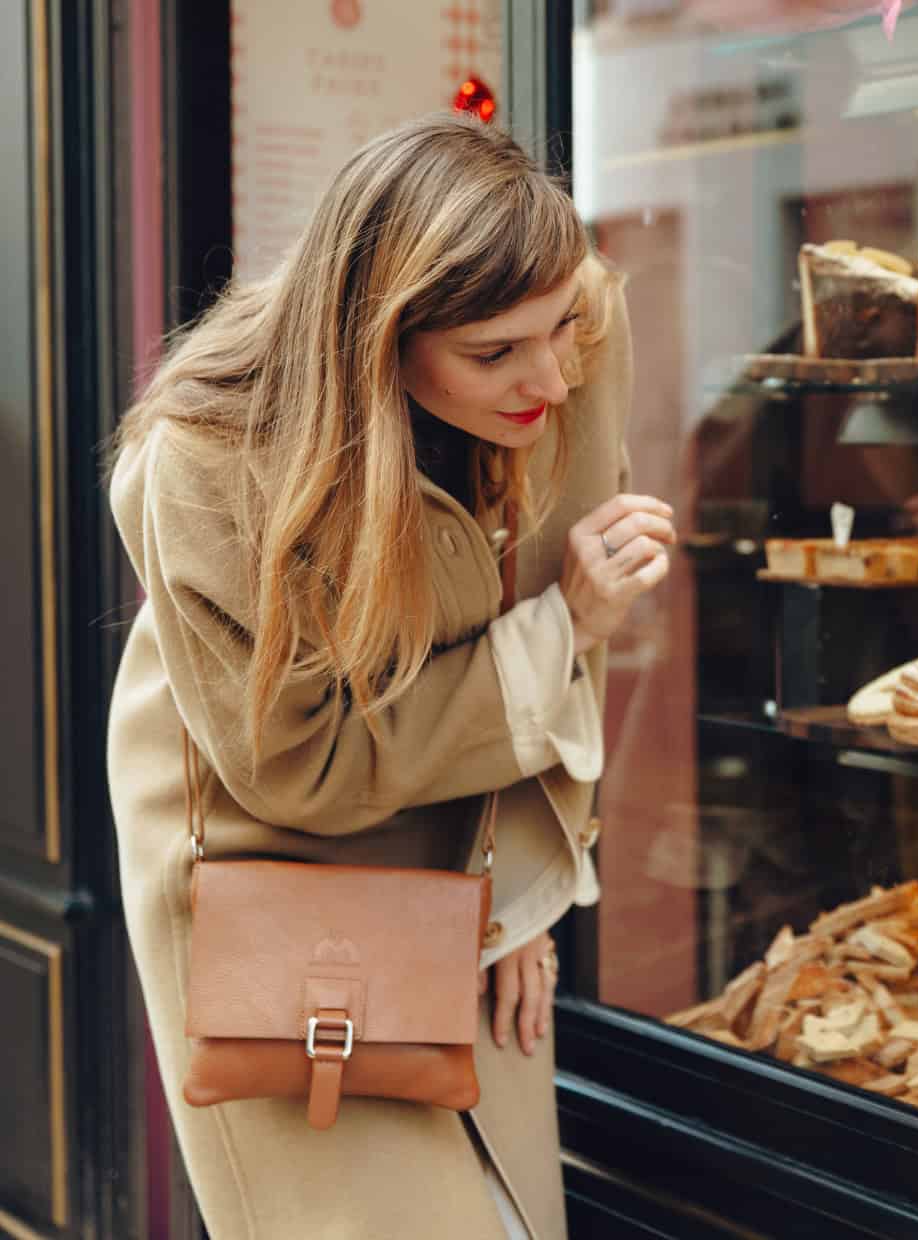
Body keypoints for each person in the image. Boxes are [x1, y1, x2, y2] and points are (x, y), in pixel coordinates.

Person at [105, 114, 673, 1238]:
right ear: (378, 336)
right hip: (270, 879)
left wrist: (520, 894)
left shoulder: (572, 326)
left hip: (459, 838)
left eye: (558, 332)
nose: (550, 381)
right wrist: (562, 629)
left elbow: (566, 621)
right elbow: (293, 766)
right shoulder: (207, 459)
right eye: (495, 352)